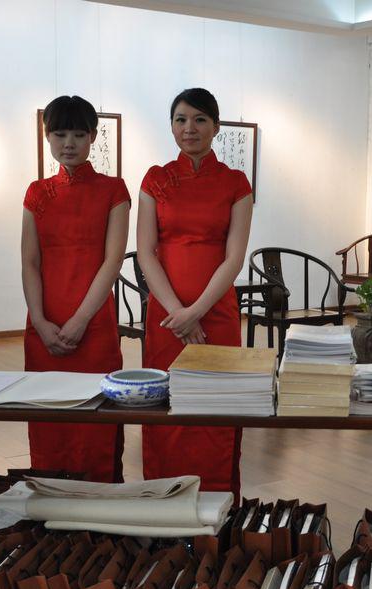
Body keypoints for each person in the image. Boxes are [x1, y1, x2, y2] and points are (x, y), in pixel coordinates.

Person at [137, 88, 253, 499]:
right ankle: (162, 499)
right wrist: (179, 314)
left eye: (200, 119)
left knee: (214, 410)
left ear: (216, 127)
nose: (190, 128)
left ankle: (216, 502)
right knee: (167, 406)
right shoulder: (155, 179)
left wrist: (196, 312)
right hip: (166, 317)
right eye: (181, 119)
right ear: (171, 126)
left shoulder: (236, 183)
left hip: (216, 314)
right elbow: (146, 252)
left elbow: (234, 258)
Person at [22, 96, 130, 482]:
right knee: (48, 423)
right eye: (60, 134)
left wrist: (81, 319)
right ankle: (51, 507)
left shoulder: (113, 190)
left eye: (79, 134)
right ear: (47, 136)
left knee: (95, 425)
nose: (69, 143)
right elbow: (30, 262)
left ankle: (100, 507)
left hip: (94, 325)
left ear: (93, 137)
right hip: (44, 325)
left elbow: (112, 261)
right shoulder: (37, 192)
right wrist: (39, 321)